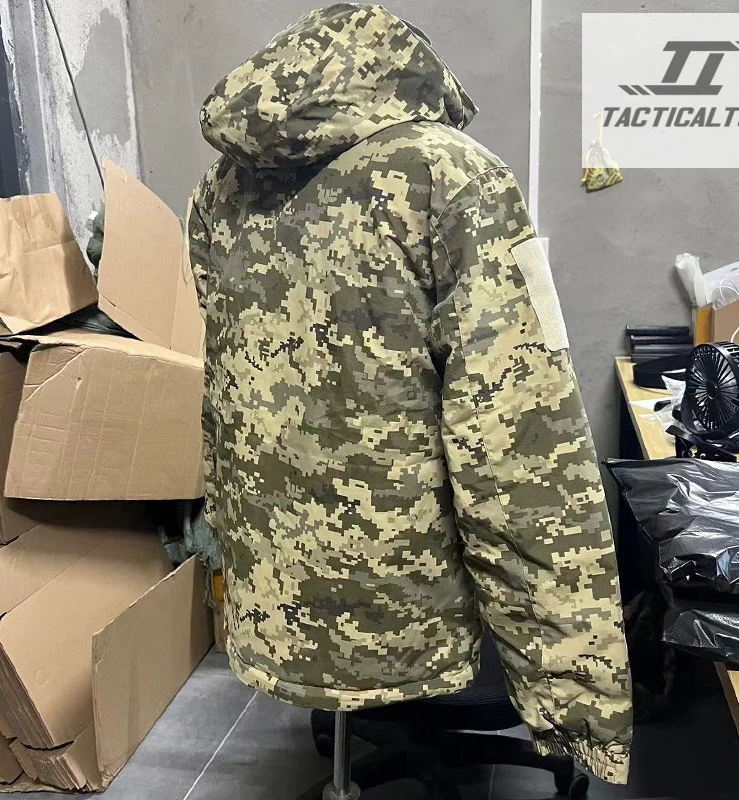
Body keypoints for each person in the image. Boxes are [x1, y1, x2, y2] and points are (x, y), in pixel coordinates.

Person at [189, 3, 632, 784]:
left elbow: (228, 393)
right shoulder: (451, 176)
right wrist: (574, 697)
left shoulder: (220, 188)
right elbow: (519, 443)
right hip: (408, 605)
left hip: (279, 596)